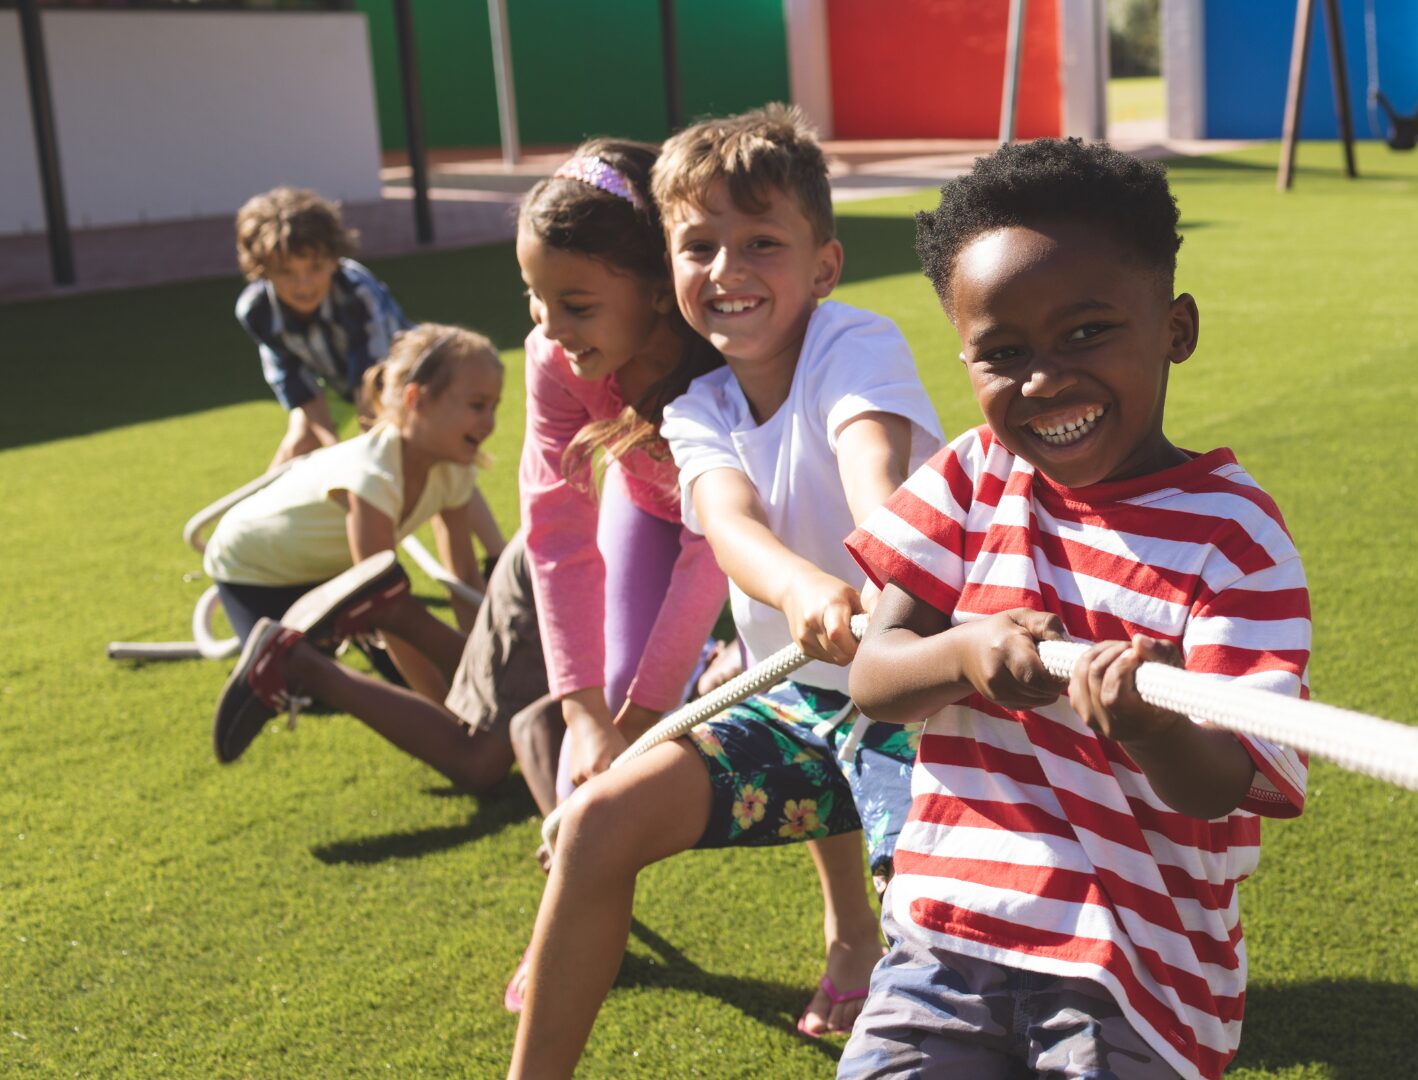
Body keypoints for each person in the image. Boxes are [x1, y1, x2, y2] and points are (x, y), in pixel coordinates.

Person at [838, 139, 1313, 1080]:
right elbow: (874, 678)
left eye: (1087, 332)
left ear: (1176, 327)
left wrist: (1146, 723)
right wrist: (966, 651)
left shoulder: (1235, 536)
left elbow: (1223, 781)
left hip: (1134, 971)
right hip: (946, 943)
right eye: (1003, 353)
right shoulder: (972, 477)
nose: (1045, 380)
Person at [509, 105, 943, 1075]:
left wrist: (872, 576)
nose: (726, 270)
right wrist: (802, 590)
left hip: (922, 705)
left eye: (760, 243)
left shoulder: (855, 345)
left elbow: (874, 468)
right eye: (698, 245)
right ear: (669, 266)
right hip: (798, 706)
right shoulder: (697, 404)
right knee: (595, 822)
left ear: (823, 266)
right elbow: (730, 524)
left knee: (937, 913)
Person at [502, 140, 736, 1013]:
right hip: (648, 507)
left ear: (650, 285)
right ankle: (564, 930)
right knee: (587, 731)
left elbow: (717, 547)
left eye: (576, 303)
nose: (550, 326)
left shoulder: (720, 361)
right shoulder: (552, 358)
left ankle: (851, 934)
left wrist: (640, 723)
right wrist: (586, 712)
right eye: (533, 297)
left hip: (753, 535)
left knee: (803, 713)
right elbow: (555, 528)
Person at [204, 324, 508, 769]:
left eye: (494, 407)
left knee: (409, 673)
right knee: (300, 686)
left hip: (330, 572)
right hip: (255, 572)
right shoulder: (372, 474)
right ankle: (306, 657)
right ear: (416, 400)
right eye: (478, 406)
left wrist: (479, 666)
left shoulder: (454, 468)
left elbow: (462, 578)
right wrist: (450, 710)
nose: (490, 423)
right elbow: (382, 608)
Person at [233, 188, 415, 469]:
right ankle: (264, 510)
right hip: (336, 382)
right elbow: (298, 388)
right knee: (298, 444)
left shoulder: (356, 293)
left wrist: (366, 455)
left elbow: (370, 381)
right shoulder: (257, 311)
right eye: (286, 272)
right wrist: (334, 449)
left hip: (400, 379)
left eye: (315, 267)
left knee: (407, 455)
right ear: (263, 269)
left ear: (334, 259)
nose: (303, 285)